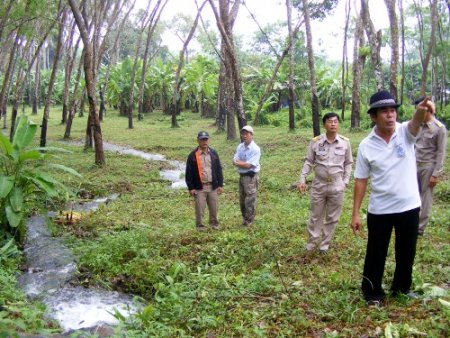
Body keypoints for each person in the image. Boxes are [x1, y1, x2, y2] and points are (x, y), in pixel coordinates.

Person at [351, 90, 433, 305]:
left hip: (409, 206)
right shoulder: (366, 145)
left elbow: (416, 122)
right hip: (380, 209)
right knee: (376, 253)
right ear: (373, 116)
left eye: (392, 111)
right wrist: (355, 213)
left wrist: (421, 111)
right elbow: (360, 180)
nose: (390, 116)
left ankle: (401, 288)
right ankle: (372, 292)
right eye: (384, 112)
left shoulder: (405, 132)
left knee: (407, 252)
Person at [298, 112, 353, 252]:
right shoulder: (316, 142)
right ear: (324, 124)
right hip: (319, 184)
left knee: (332, 217)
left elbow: (348, 163)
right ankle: (312, 242)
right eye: (330, 121)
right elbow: (309, 161)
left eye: (335, 121)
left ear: (338, 124)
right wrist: (302, 178)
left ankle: (325, 244)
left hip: (337, 184)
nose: (333, 124)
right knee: (315, 215)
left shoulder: (345, 142)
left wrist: (345, 181)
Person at [414, 97, 448, 236]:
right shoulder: (417, 126)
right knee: (413, 196)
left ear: (428, 111)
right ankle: (412, 222)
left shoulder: (439, 129)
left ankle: (420, 229)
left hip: (428, 167)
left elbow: (441, 153)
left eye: (420, 111)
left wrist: (435, 174)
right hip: (414, 165)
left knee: (426, 198)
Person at [185, 131, 224, 231]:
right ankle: (200, 226)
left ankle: (214, 224)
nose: (204, 141)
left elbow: (218, 169)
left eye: (206, 139)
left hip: (212, 186)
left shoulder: (214, 153)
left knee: (214, 208)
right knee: (199, 209)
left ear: (208, 140)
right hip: (199, 187)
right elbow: (188, 173)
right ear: (198, 140)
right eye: (202, 139)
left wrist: (220, 185)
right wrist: (191, 187)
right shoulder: (193, 155)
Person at [233, 125, 261, 226]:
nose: (244, 135)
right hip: (241, 176)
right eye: (243, 133)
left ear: (252, 135)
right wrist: (241, 163)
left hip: (250, 177)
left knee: (250, 200)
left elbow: (249, 165)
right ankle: (245, 219)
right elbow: (235, 160)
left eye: (247, 133)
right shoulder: (240, 146)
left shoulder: (255, 149)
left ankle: (249, 221)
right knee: (242, 199)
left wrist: (239, 163)